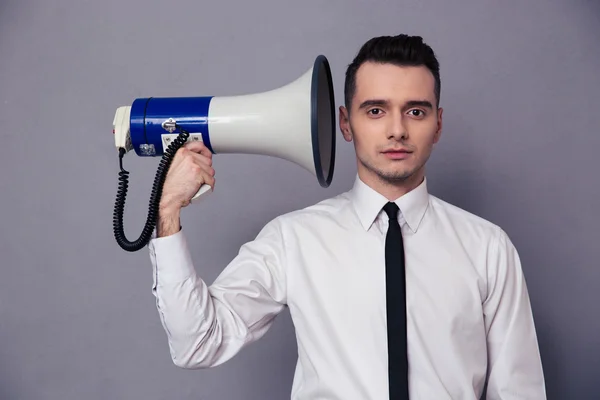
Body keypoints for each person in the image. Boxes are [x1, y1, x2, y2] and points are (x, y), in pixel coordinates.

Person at [148, 34, 547, 399]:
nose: (396, 130)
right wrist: (166, 212)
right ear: (345, 123)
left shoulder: (488, 247)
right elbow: (197, 344)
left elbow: (519, 391)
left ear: (438, 124)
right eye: (375, 110)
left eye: (416, 112)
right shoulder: (294, 240)